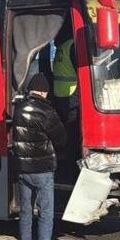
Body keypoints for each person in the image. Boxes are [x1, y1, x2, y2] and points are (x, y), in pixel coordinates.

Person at [11, 73, 69, 240]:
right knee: (45, 215)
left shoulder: (18, 109)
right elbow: (61, 138)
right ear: (44, 91)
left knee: (26, 214)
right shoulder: (46, 111)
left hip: (23, 170)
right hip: (42, 170)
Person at [52, 22, 80, 178]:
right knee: (74, 139)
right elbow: (83, 71)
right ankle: (72, 173)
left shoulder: (61, 46)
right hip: (73, 97)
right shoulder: (73, 46)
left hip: (61, 95)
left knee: (69, 136)